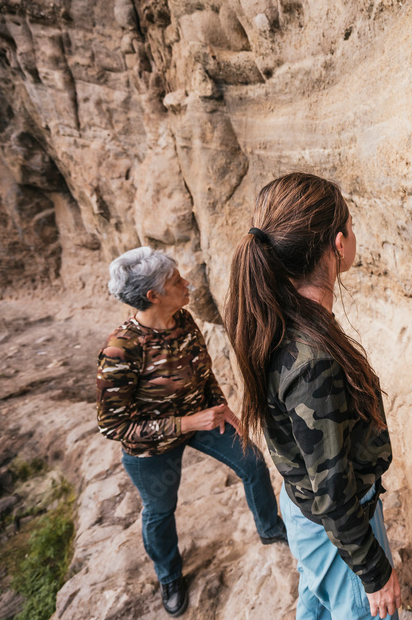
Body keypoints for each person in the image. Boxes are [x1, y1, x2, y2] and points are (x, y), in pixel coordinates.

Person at [223, 172, 402, 620]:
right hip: (336, 526)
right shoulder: (313, 358)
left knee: (317, 606)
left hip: (303, 509)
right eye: (351, 226)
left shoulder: (272, 316)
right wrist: (375, 573)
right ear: (338, 244)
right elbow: (335, 490)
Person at [96, 247, 288, 617]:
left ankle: (270, 528)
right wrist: (186, 424)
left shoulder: (183, 319)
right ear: (153, 296)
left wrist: (222, 407)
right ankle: (169, 576)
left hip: (201, 419)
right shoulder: (120, 350)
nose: (188, 284)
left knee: (252, 462)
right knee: (160, 510)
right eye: (176, 281)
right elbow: (112, 424)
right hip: (149, 448)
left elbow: (203, 371)